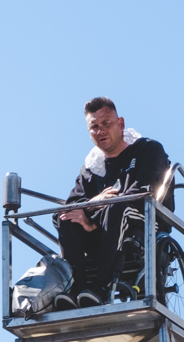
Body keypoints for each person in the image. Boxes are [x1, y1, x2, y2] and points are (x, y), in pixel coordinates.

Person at [58, 97, 171, 306]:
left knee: (117, 206)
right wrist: (94, 205)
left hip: (146, 219)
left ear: (120, 124)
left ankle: (102, 288)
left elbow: (145, 192)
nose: (100, 130)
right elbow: (73, 203)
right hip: (104, 228)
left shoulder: (148, 149)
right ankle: (77, 288)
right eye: (94, 127)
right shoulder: (92, 168)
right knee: (66, 217)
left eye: (106, 124)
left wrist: (92, 217)